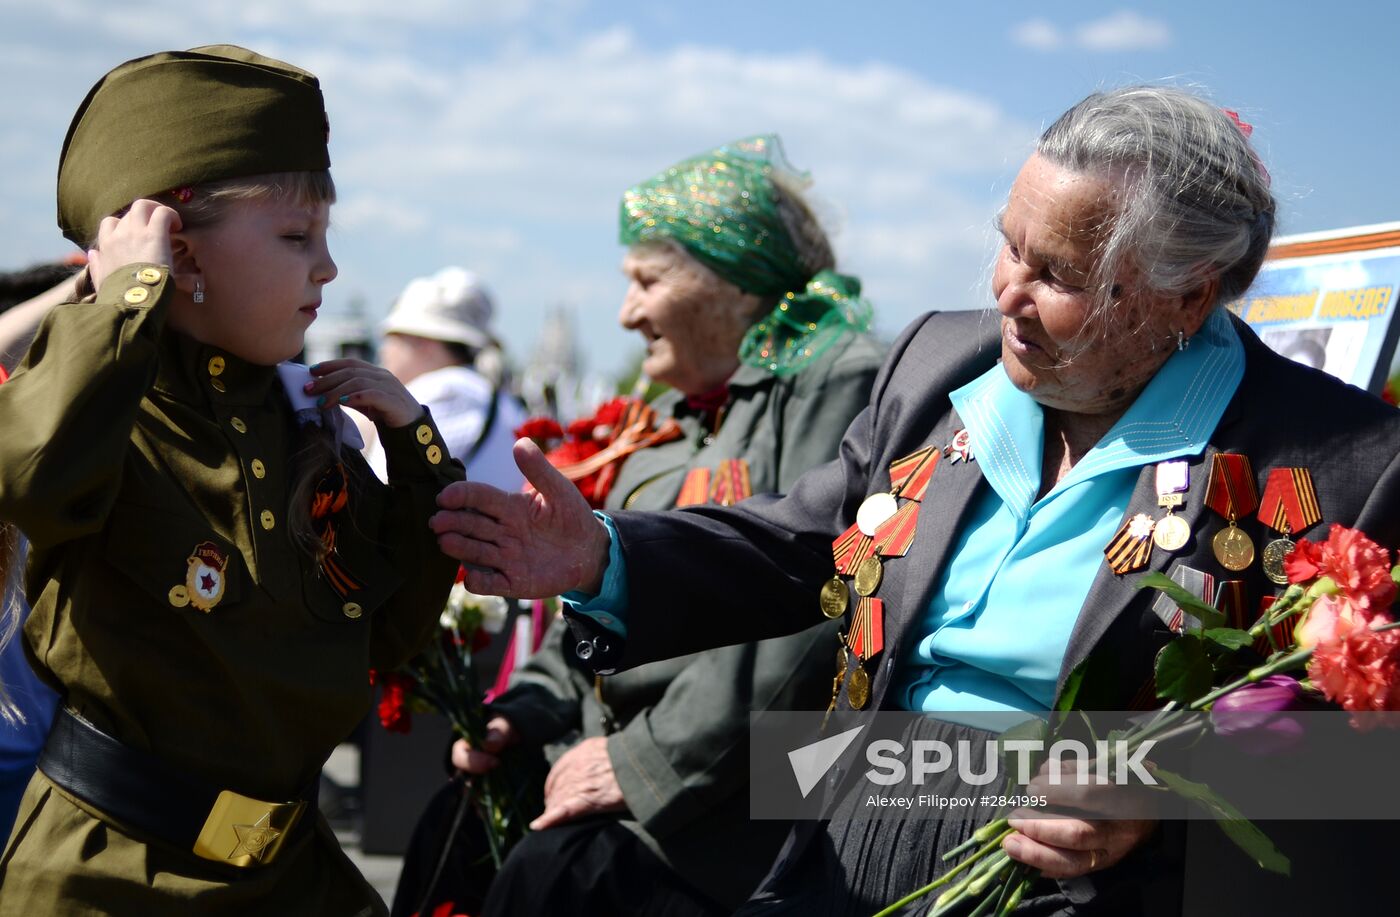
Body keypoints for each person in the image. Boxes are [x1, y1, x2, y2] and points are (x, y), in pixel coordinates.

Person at [431, 88, 1400, 915]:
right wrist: (602, 555)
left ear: (1186, 297)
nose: (1006, 292)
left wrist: (1160, 787)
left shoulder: (1343, 467)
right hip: (844, 837)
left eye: (1055, 274)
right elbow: (807, 542)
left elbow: (1364, 762)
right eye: (1006, 247)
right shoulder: (947, 363)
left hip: (1067, 884)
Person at [0, 46, 462, 915]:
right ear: (181, 250)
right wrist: (129, 297)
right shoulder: (109, 412)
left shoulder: (301, 429)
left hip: (290, 878)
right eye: (295, 238)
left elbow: (380, 637)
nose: (325, 268)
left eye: (324, 237)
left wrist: (414, 456)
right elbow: (28, 475)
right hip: (111, 877)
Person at [396, 135, 884, 917]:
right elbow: (591, 593)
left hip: (745, 781)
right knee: (453, 827)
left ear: (733, 281)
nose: (626, 313)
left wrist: (644, 762)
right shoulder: (659, 416)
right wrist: (522, 712)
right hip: (615, 760)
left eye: (647, 282)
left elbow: (816, 603)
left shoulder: (834, 378)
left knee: (562, 874)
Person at [364, 267, 525, 492]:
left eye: (391, 338)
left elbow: (381, 492)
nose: (383, 352)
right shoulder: (501, 399)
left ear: (423, 342)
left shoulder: (438, 391)